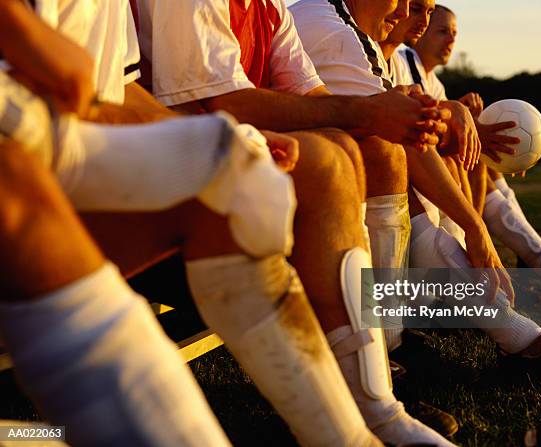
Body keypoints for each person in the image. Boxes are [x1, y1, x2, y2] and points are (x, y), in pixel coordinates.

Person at [1, 2, 387, 445]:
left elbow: (118, 92)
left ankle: (359, 429)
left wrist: (218, 143)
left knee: (236, 175)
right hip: (26, 169)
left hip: (58, 152)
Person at [138, 0, 459, 445]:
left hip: (217, 156)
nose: (406, 10)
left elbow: (312, 97)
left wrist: (384, 110)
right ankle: (364, 399)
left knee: (358, 149)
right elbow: (222, 100)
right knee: (327, 160)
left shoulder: (271, 6)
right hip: (169, 181)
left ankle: (376, 370)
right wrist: (364, 113)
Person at [377, 0, 541, 384]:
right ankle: (510, 308)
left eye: (453, 32)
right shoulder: (363, 44)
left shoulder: (408, 69)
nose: (410, 16)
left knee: (463, 158)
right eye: (440, 27)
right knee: (429, 157)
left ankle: (511, 277)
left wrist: (458, 119)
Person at [405, 3, 541, 269]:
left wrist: (506, 151)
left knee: (482, 160)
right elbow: (419, 131)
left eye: (454, 33)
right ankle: (535, 257)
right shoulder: (403, 61)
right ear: (423, 31)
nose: (451, 39)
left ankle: (537, 255)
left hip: (427, 164)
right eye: (442, 31)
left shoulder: (434, 83)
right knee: (474, 159)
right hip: (412, 172)